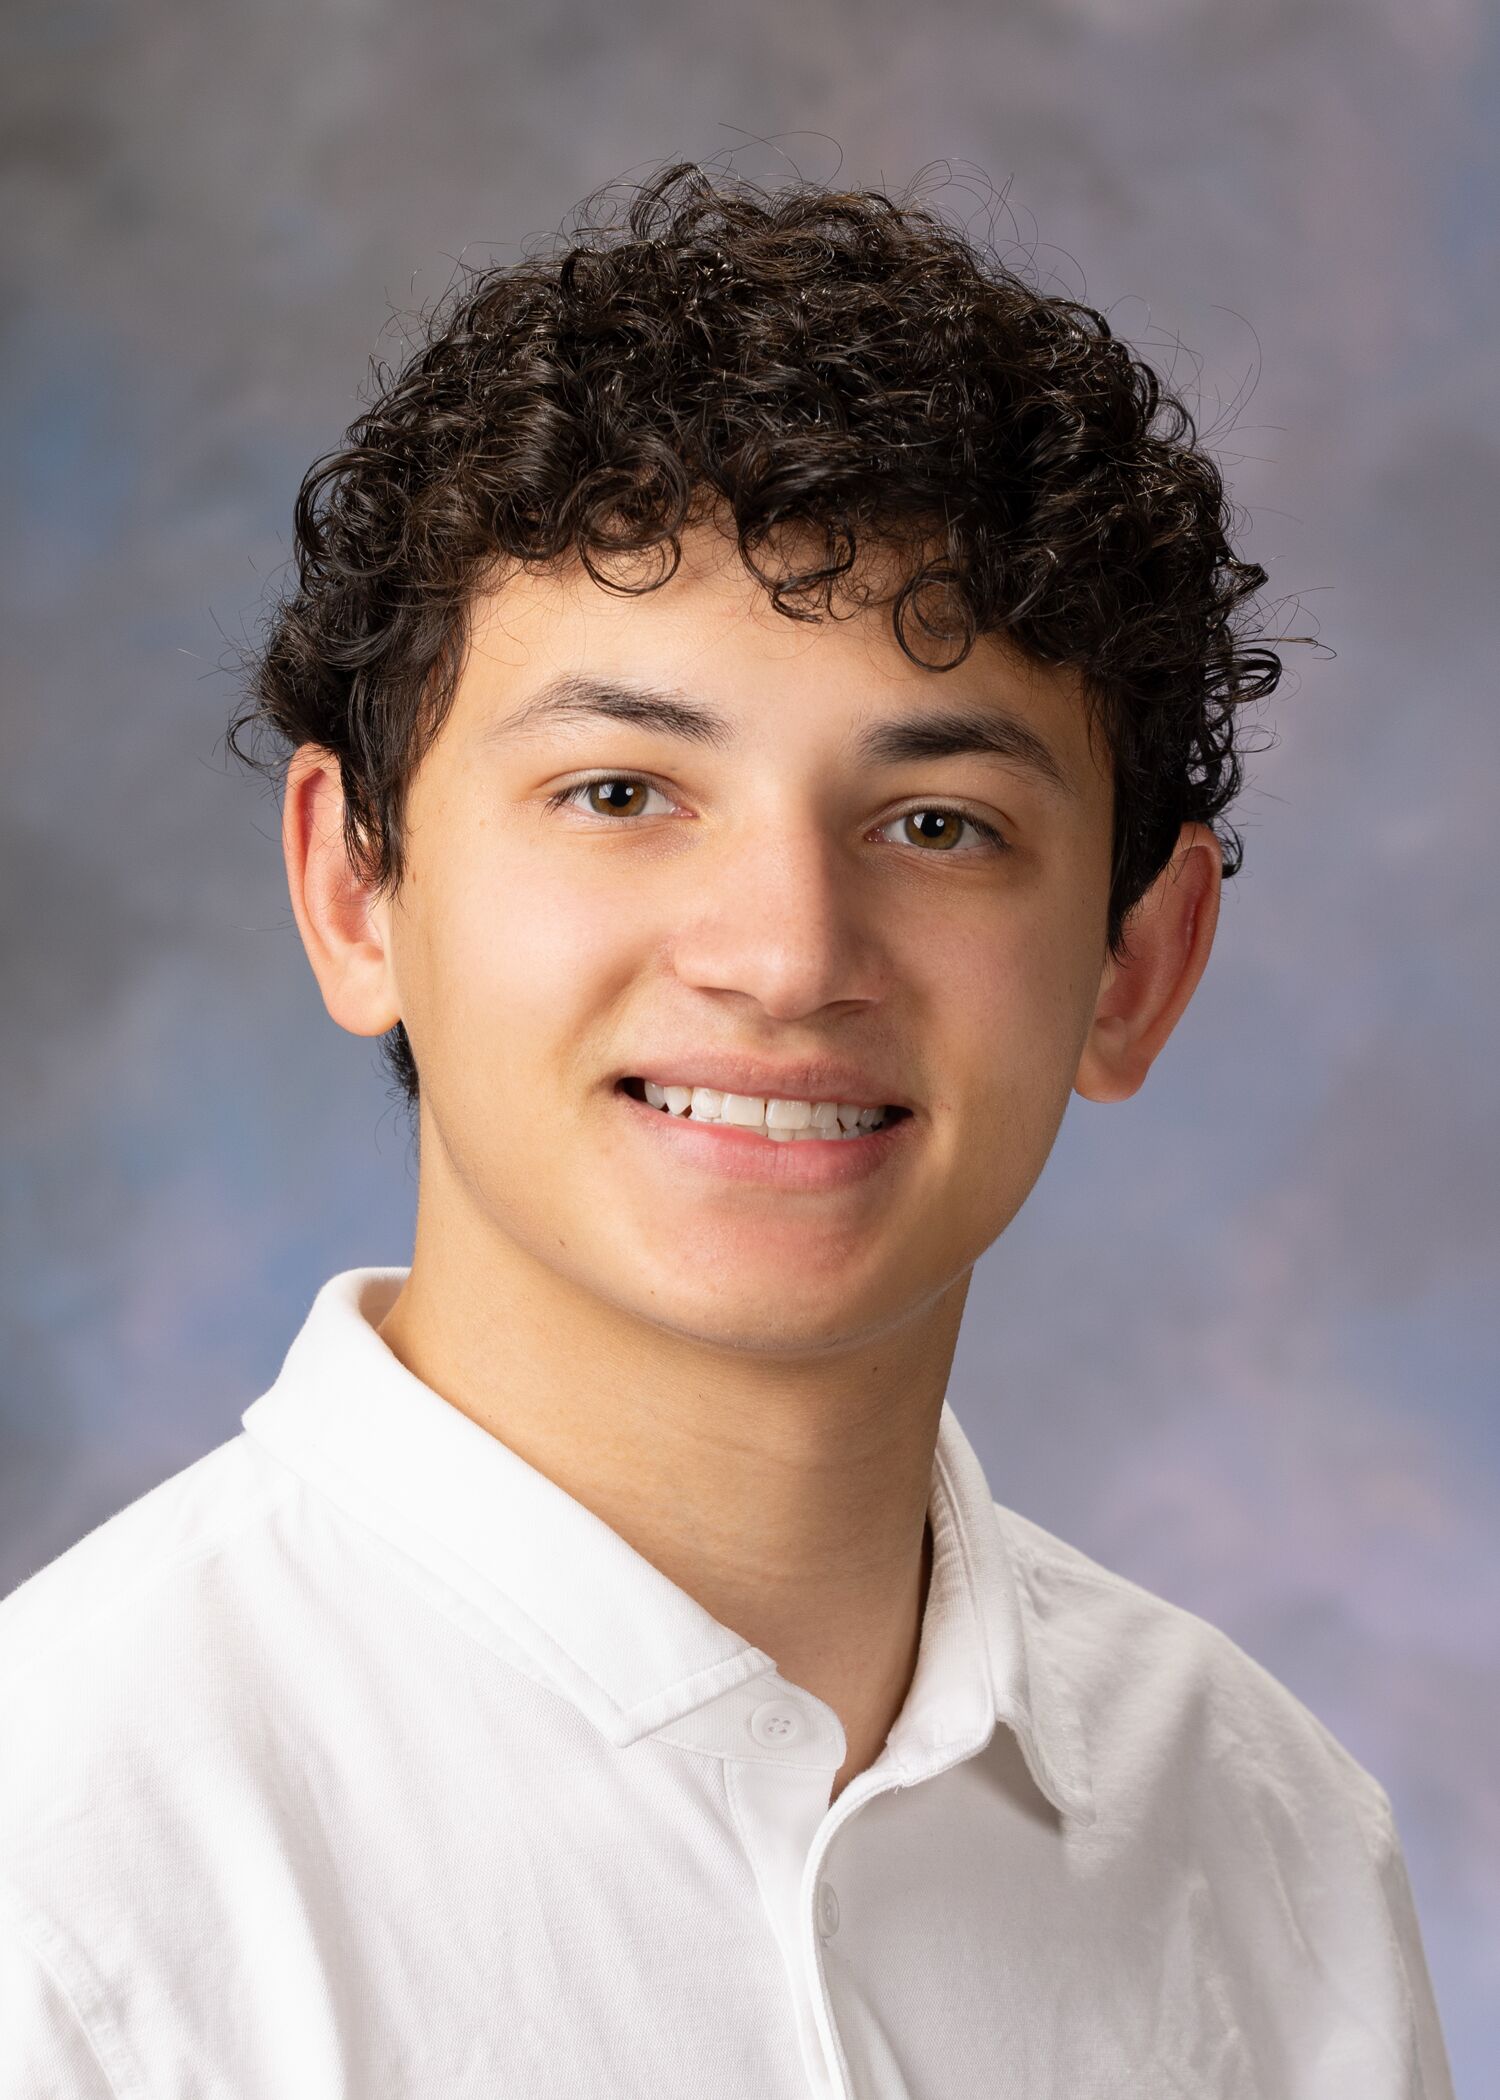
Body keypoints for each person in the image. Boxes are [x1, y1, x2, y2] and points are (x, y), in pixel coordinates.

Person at [0, 164, 1453, 2099]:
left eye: (940, 825)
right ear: (359, 890)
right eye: (620, 790)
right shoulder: (66, 1872)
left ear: (1136, 962)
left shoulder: (1270, 1845)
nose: (785, 957)